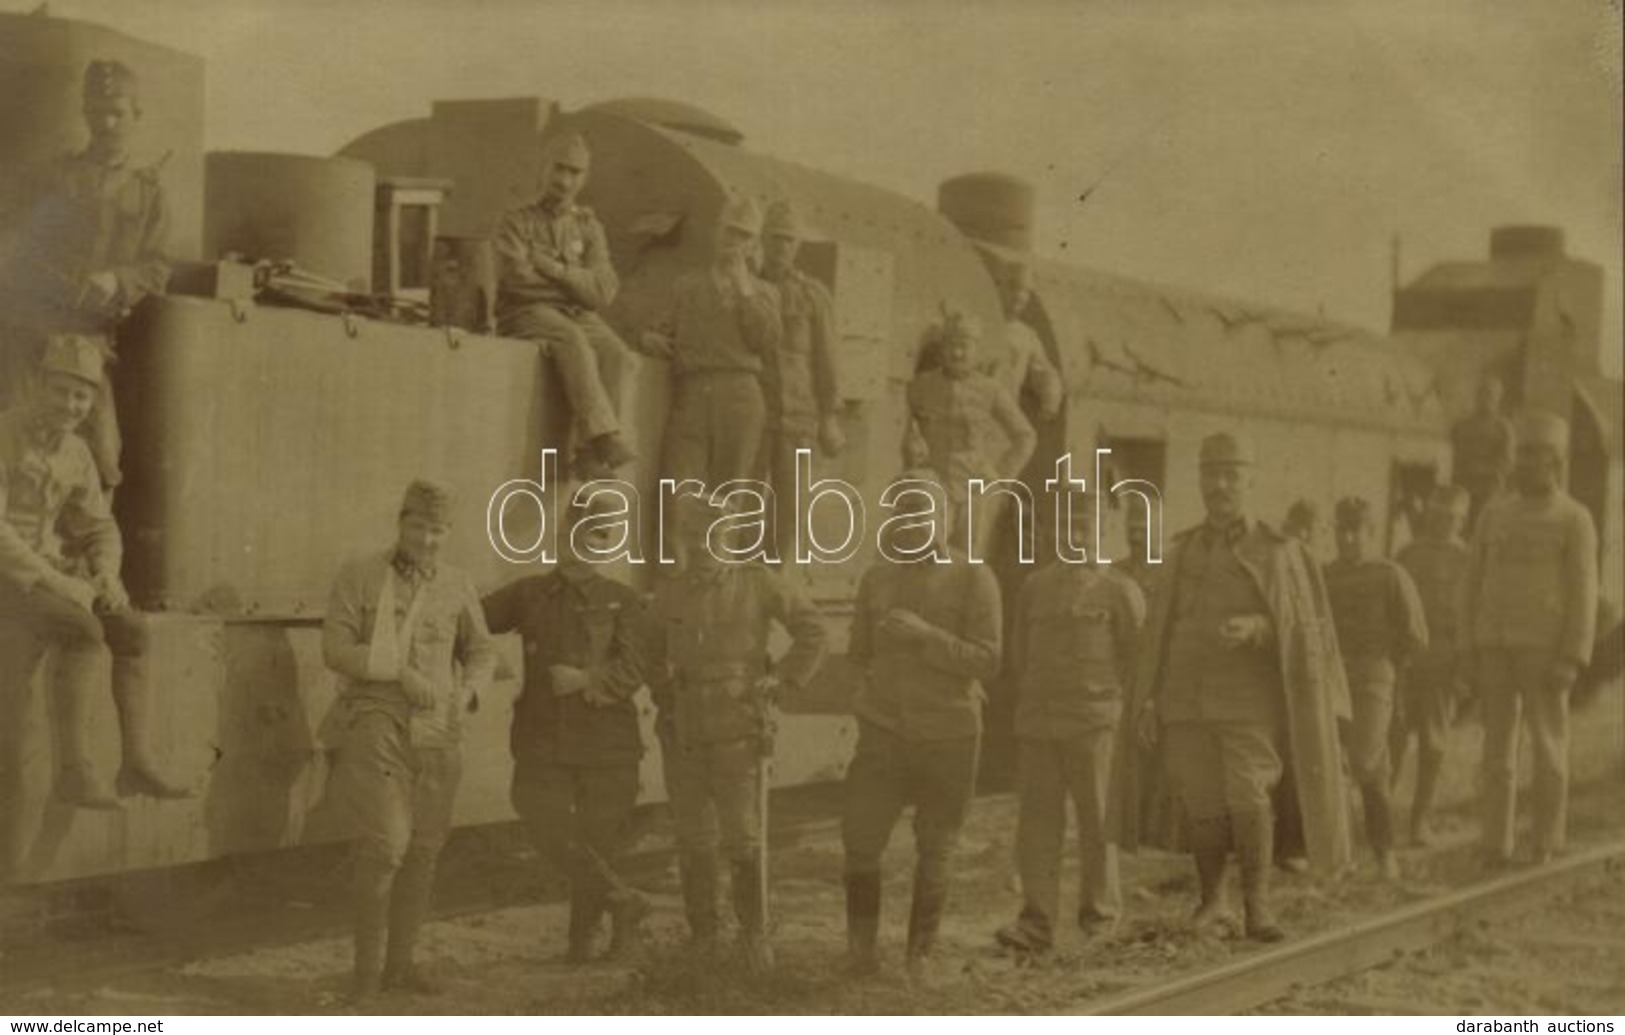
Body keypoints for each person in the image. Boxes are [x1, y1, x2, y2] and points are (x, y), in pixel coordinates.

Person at [1118, 432, 1351, 942]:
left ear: (1250, 480)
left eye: (1230, 475)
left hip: (1247, 703)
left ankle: (1257, 908)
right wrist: (1150, 698)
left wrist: (1258, 630)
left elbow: (1302, 628)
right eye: (1210, 474)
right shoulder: (1182, 550)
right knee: (1202, 803)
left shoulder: (1279, 551)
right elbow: (1160, 628)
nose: (1218, 485)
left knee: (1248, 796)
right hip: (1185, 700)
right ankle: (1211, 902)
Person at [0, 335, 188, 830]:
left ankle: (136, 762)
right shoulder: (5, 435)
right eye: (61, 392)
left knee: (131, 631)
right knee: (81, 630)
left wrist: (107, 574)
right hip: (8, 574)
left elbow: (98, 526)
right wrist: (63, 586)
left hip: (42, 574)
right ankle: (75, 771)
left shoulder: (79, 451)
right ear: (42, 386)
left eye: (81, 397)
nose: (70, 405)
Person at [321, 480, 497, 1000]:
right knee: (385, 847)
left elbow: (483, 649)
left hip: (440, 731)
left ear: (449, 534)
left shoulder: (458, 584)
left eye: (438, 530)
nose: (427, 539)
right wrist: (397, 673)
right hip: (377, 722)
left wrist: (468, 692)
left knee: (423, 850)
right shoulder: (359, 575)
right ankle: (366, 979)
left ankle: (401, 968)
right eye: (418, 526)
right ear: (400, 523)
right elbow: (336, 648)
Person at [644, 526, 827, 973]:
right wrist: (665, 694)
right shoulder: (670, 593)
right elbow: (646, 649)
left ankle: (753, 937)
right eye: (695, 541)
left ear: (728, 538)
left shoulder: (759, 582)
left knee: (743, 836)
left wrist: (782, 678)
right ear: (684, 543)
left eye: (713, 540)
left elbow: (813, 631)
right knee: (692, 837)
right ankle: (703, 936)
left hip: (739, 728)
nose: (704, 549)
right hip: (684, 731)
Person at [842, 477, 1002, 981]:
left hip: (949, 733)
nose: (913, 522)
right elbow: (859, 652)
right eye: (904, 511)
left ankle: (920, 958)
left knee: (937, 846)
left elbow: (990, 660)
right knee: (861, 840)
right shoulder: (876, 578)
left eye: (924, 512)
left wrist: (926, 636)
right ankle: (861, 955)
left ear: (947, 518)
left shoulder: (975, 578)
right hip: (885, 731)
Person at [481, 497, 649, 963]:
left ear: (606, 546)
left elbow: (636, 667)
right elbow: (471, 621)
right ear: (558, 540)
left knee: (598, 843)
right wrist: (487, 661)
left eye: (595, 539)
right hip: (543, 741)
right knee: (539, 816)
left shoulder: (624, 601)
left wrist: (586, 680)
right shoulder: (529, 593)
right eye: (571, 537)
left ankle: (586, 945)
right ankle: (623, 901)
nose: (581, 548)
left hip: (608, 745)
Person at [0, 60, 172, 491]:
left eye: (117, 111)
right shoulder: (52, 179)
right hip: (35, 333)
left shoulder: (148, 193)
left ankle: (82, 555)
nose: (106, 123)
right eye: (96, 112)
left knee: (101, 458)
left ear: (137, 114)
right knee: (19, 449)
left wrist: (117, 281)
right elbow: (17, 245)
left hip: (91, 342)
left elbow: (157, 265)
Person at [994, 492, 1143, 954]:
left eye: (1086, 528)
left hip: (1095, 723)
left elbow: (1137, 659)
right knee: (1037, 825)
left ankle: (1100, 919)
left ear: (1102, 532)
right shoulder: (1035, 587)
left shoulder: (1120, 590)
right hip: (1040, 722)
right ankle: (1036, 923)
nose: (1075, 537)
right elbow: (1020, 652)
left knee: (1098, 823)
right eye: (1066, 528)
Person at [1462, 412, 1597, 868]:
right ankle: (1494, 842)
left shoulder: (1574, 518)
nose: (1523, 463)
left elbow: (1584, 593)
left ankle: (1545, 840)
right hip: (1495, 643)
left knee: (1548, 747)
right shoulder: (1493, 513)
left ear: (1555, 461)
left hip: (1545, 649)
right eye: (1521, 453)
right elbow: (1473, 582)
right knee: (1496, 749)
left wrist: (1573, 656)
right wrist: (1470, 643)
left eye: (1535, 455)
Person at [641, 197, 782, 549]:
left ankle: (716, 588)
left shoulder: (765, 293)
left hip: (742, 396)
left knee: (728, 499)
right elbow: (660, 328)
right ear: (715, 233)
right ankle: (672, 586)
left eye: (744, 236)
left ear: (753, 244)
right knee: (677, 493)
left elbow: (766, 341)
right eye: (729, 232)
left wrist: (744, 289)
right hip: (693, 393)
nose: (733, 242)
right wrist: (650, 338)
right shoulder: (687, 286)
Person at [493, 133, 637, 478]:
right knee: (572, 339)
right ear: (544, 169)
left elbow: (603, 291)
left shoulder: (589, 228)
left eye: (575, 173)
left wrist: (555, 269)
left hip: (573, 313)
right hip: (525, 314)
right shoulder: (515, 220)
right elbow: (518, 280)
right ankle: (604, 436)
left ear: (584, 178)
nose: (564, 180)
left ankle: (589, 455)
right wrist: (576, 286)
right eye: (559, 169)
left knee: (617, 354)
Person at [1323, 496, 1427, 879]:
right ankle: (1341, 856)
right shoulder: (1325, 576)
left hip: (1373, 678)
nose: (1348, 539)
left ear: (1371, 533)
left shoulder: (1390, 575)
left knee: (1366, 761)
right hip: (1332, 680)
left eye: (1357, 531)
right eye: (1342, 530)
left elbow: (1416, 636)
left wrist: (1389, 670)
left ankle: (1384, 854)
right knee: (1332, 765)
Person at [903, 310, 1035, 554]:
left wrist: (1000, 475)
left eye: (964, 346)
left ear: (976, 350)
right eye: (951, 345)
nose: (957, 353)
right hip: (933, 485)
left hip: (974, 489)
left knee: (967, 561)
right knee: (927, 555)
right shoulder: (921, 387)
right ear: (942, 349)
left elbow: (1025, 436)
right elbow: (902, 428)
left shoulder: (990, 390)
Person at [756, 200, 844, 556]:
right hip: (756, 413)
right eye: (775, 239)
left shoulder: (813, 296)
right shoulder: (746, 288)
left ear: (798, 246)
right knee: (746, 502)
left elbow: (828, 361)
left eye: (788, 241)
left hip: (799, 418)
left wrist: (829, 418)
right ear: (762, 241)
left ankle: (774, 582)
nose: (781, 248)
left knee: (789, 507)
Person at [1390, 484, 1472, 846]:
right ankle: (1380, 818)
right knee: (1393, 738)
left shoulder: (1469, 559)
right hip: (1407, 657)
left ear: (1462, 520)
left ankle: (1419, 822)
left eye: (1451, 517)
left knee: (1433, 745)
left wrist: (1465, 669)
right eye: (1437, 514)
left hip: (1444, 657)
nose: (1443, 523)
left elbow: (1474, 617)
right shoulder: (1408, 553)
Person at [985, 258, 1062, 423]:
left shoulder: (1026, 335)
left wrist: (1050, 395)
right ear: (997, 286)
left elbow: (1043, 370)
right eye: (1013, 287)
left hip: (1004, 419)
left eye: (1026, 291)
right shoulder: (978, 323)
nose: (1020, 296)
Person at [1450, 375, 1515, 535]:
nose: (1486, 398)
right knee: (1460, 528)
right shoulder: (1462, 426)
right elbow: (1451, 455)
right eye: (1482, 394)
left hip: (1489, 490)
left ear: (1498, 399)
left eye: (1491, 395)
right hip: (1463, 488)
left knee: (1486, 530)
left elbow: (1508, 462)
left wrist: (1482, 469)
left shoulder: (1503, 428)